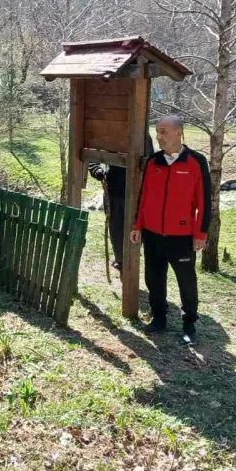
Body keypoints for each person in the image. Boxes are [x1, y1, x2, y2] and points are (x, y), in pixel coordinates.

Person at [130, 116, 211, 345]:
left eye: (164, 131)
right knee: (154, 279)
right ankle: (159, 318)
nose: (159, 136)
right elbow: (144, 197)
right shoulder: (153, 161)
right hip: (153, 234)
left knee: (186, 282)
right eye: (157, 131)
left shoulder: (196, 162)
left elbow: (204, 201)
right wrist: (137, 226)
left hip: (182, 237)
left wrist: (201, 233)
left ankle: (189, 324)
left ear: (178, 132)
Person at [88, 130, 156, 273]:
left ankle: (132, 264)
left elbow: (150, 161)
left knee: (136, 231)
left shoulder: (142, 135)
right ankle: (121, 264)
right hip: (114, 191)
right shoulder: (109, 132)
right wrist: (97, 171)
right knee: (117, 230)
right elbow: (93, 157)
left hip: (137, 192)